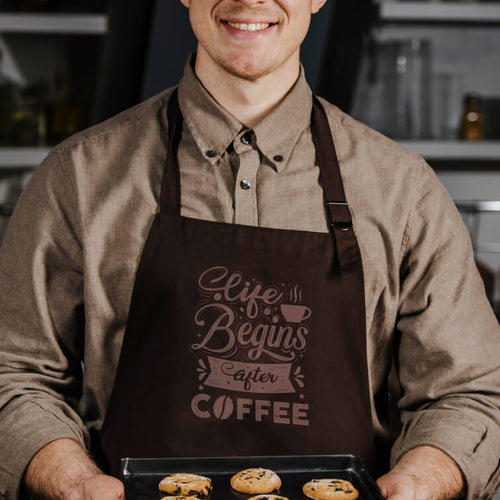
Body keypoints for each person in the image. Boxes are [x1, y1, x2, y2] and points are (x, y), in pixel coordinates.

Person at [0, 0, 499, 498]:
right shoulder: (79, 178)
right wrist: (74, 482)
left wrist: (420, 481)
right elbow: (14, 375)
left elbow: (469, 392)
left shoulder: (403, 192)